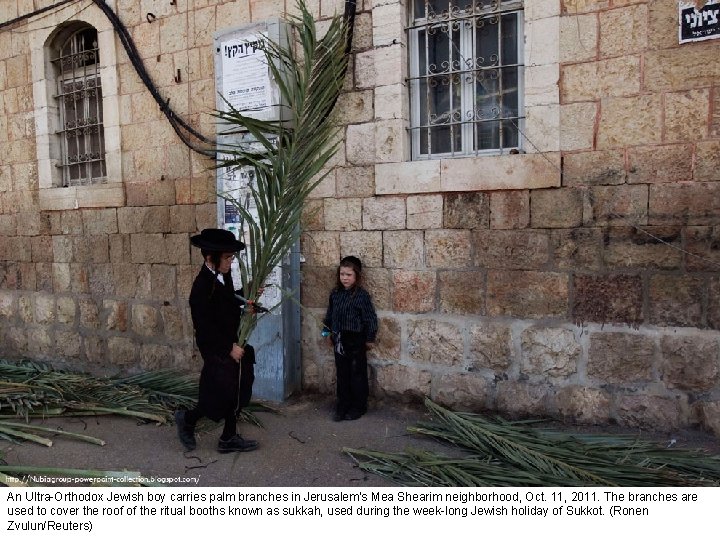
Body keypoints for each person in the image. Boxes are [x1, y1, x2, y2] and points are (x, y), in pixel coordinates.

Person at [175, 228, 258, 453]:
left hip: (233, 342)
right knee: (217, 394)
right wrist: (228, 348)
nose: (231, 261)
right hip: (216, 348)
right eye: (228, 257)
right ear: (211, 258)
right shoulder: (201, 287)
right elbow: (204, 327)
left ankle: (228, 438)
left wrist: (247, 294)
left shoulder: (224, 275)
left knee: (238, 387)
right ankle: (187, 419)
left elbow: (227, 300)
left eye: (232, 257)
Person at [322, 255, 378, 422]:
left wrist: (369, 338)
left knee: (357, 374)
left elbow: (370, 318)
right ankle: (343, 405)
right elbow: (329, 316)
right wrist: (327, 333)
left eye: (349, 275)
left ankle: (358, 406)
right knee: (342, 373)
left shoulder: (361, 296)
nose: (345, 278)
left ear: (356, 276)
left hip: (356, 340)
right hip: (339, 339)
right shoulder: (335, 294)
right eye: (342, 274)